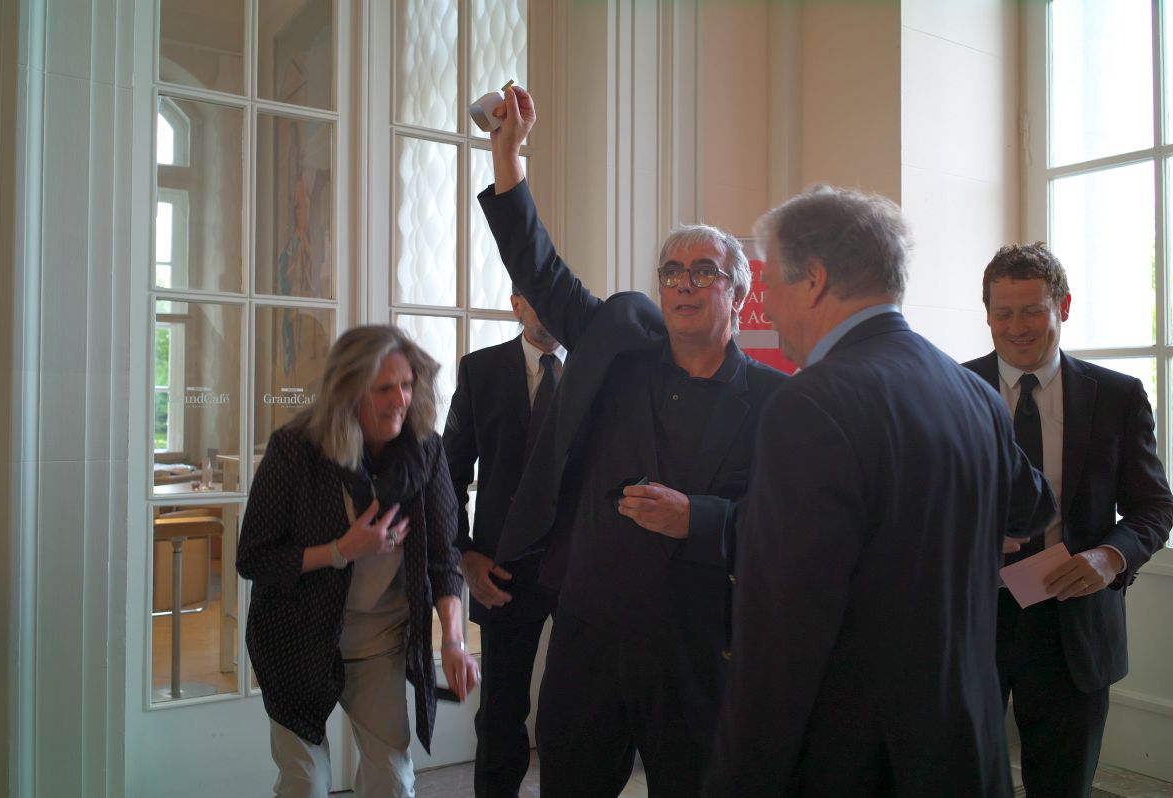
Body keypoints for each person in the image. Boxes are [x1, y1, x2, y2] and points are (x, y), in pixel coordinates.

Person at [479, 85, 788, 797]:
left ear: (739, 295)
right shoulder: (619, 350)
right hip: (590, 632)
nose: (684, 285)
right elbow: (541, 271)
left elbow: (781, 526)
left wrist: (696, 517)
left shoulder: (777, 402)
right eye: (672, 272)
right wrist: (508, 157)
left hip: (695, 645)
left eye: (704, 272)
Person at [704, 186, 1055, 797]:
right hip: (967, 752)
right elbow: (1033, 508)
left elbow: (780, 637)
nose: (767, 305)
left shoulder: (809, 404)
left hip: (857, 767)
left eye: (769, 284)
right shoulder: (972, 392)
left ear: (813, 280)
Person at [963, 243, 1173, 798]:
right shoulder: (951, 389)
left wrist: (1111, 556)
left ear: (1064, 306)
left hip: (1072, 625)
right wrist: (968, 535)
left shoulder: (1118, 396)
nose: (1017, 327)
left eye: (1033, 310)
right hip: (971, 621)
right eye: (1003, 313)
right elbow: (918, 505)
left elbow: (1155, 506)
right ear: (987, 314)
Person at [236, 325, 481, 798]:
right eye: (383, 388)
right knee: (306, 784)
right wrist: (341, 550)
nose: (400, 400)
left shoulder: (425, 449)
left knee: (393, 780)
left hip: (378, 642)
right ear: (348, 391)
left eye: (406, 385)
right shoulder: (295, 449)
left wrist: (453, 640)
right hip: (296, 638)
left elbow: (443, 557)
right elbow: (254, 558)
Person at [442, 288, 565, 796]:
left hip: (581, 572)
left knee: (576, 713)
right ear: (517, 304)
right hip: (501, 569)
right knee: (501, 713)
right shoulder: (481, 370)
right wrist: (464, 552)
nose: (549, 309)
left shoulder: (597, 371)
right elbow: (448, 473)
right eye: (537, 299)